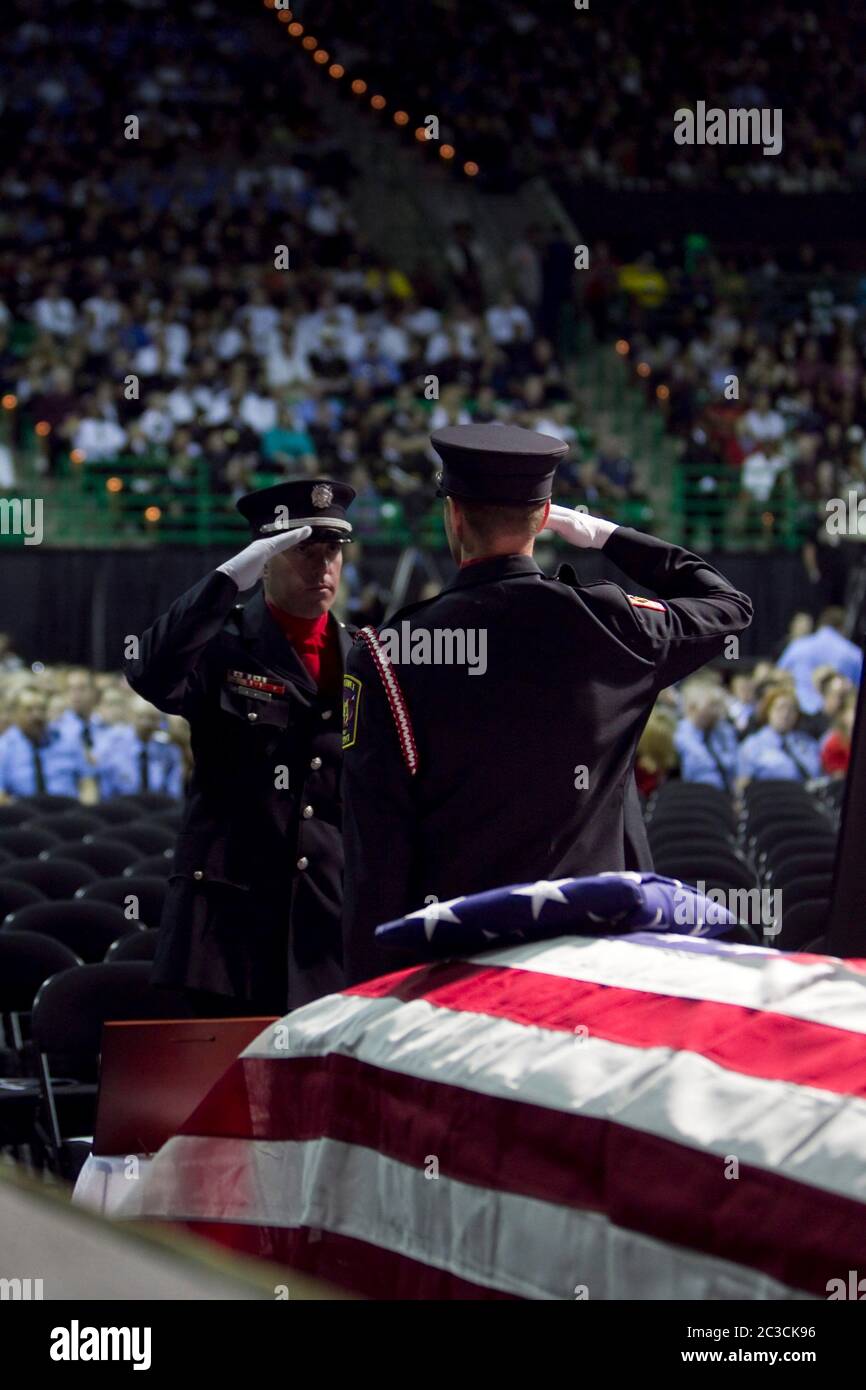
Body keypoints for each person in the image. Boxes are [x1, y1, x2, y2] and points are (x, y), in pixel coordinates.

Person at [341, 423, 753, 984]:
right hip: (597, 964)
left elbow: (376, 857)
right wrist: (608, 536)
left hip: (455, 971)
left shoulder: (388, 653)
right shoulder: (613, 625)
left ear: (454, 517)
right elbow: (728, 605)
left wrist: (371, 992)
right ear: (544, 516)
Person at [126, 477, 356, 1016]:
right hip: (227, 932)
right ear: (266, 560)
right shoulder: (221, 646)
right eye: (303, 549)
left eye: (332, 551)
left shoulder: (364, 658)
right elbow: (150, 673)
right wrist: (226, 581)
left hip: (324, 930)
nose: (322, 565)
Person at [0, 688, 97, 799]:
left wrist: (86, 809)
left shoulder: (68, 741)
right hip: (23, 812)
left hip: (68, 810)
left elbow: (88, 782)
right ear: (15, 714)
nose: (37, 715)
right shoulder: (4, 748)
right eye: (29, 710)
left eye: (42, 709)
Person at [95, 696, 185, 800]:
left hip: (159, 808)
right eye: (141, 717)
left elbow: (173, 791)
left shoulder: (169, 752)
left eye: (152, 718)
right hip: (120, 808)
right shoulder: (111, 748)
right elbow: (105, 790)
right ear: (131, 716)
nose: (146, 723)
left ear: (159, 721)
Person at [777, 607, 862, 714]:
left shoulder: (797, 646)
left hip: (797, 713)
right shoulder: (854, 653)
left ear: (820, 625)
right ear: (842, 628)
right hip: (834, 715)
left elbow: (778, 675)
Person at [736, 689, 821, 789]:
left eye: (791, 710)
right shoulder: (752, 745)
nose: (785, 714)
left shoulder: (807, 742)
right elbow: (742, 786)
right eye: (780, 708)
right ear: (768, 711)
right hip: (773, 799)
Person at [673, 681, 739, 790]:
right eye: (711, 705)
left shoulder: (722, 731)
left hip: (725, 795)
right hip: (693, 793)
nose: (716, 712)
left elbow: (733, 764)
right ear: (692, 707)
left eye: (718, 705)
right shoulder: (678, 734)